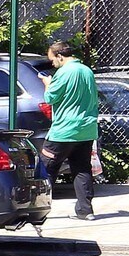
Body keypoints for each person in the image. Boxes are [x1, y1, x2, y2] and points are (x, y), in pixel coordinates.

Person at [42, 40, 100, 221]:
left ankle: (37, 210)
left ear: (60, 56)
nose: (52, 63)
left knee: (45, 168)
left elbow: (50, 98)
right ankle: (85, 211)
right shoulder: (86, 70)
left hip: (64, 131)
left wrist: (47, 82)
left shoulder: (64, 72)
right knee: (82, 168)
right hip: (86, 129)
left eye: (53, 59)